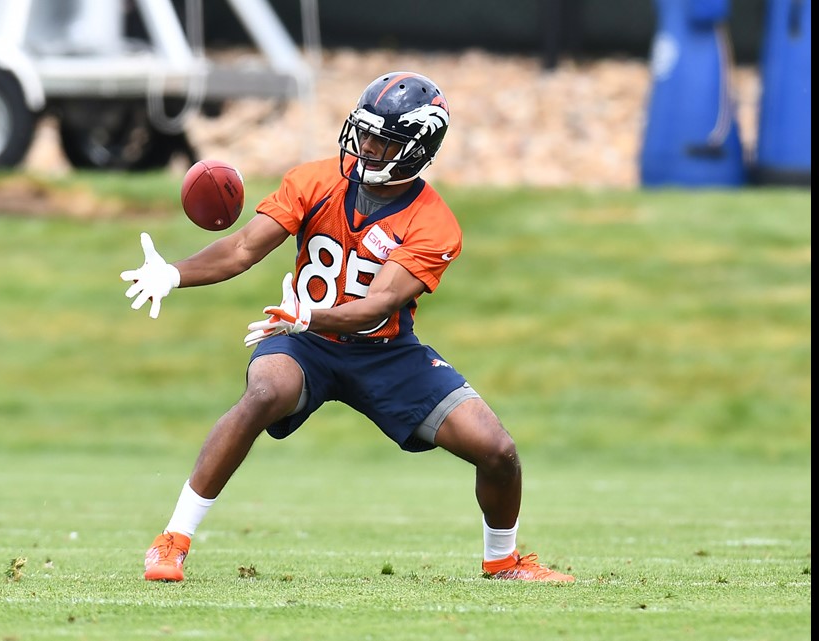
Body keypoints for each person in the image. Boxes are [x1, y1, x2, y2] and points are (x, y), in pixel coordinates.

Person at [120, 71, 574, 583]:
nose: (366, 147)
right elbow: (244, 248)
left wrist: (308, 313)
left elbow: (378, 304)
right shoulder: (314, 181)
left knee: (497, 450)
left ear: (419, 148)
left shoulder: (433, 223)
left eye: (383, 140)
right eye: (363, 132)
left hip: (385, 352)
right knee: (266, 390)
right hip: (303, 343)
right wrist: (175, 273)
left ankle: (503, 561)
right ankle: (172, 541)